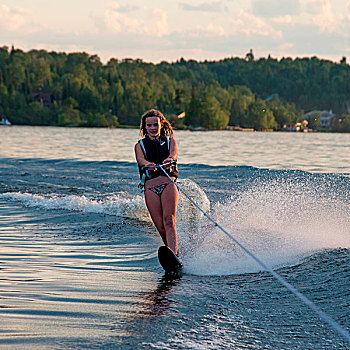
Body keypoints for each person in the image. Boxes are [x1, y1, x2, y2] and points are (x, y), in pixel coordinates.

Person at [134, 109, 180, 256]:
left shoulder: (170, 141)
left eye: (155, 124)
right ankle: (173, 255)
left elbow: (174, 154)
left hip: (168, 185)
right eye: (149, 125)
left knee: (169, 220)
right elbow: (141, 161)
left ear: (161, 125)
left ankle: (173, 251)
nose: (153, 128)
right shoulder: (139, 146)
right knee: (160, 227)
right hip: (151, 188)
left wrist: (169, 159)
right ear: (144, 127)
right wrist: (149, 164)